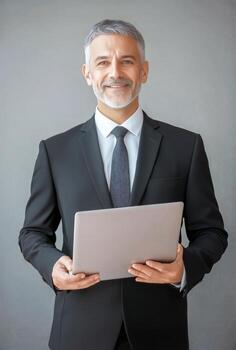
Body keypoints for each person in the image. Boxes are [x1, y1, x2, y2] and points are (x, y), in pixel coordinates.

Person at [19, 19, 228, 350]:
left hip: (160, 330)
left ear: (144, 71)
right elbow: (32, 233)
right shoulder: (55, 151)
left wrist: (184, 268)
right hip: (79, 329)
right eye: (103, 62)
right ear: (87, 73)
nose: (115, 72)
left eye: (127, 61)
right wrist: (52, 266)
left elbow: (212, 233)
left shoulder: (185, 147)